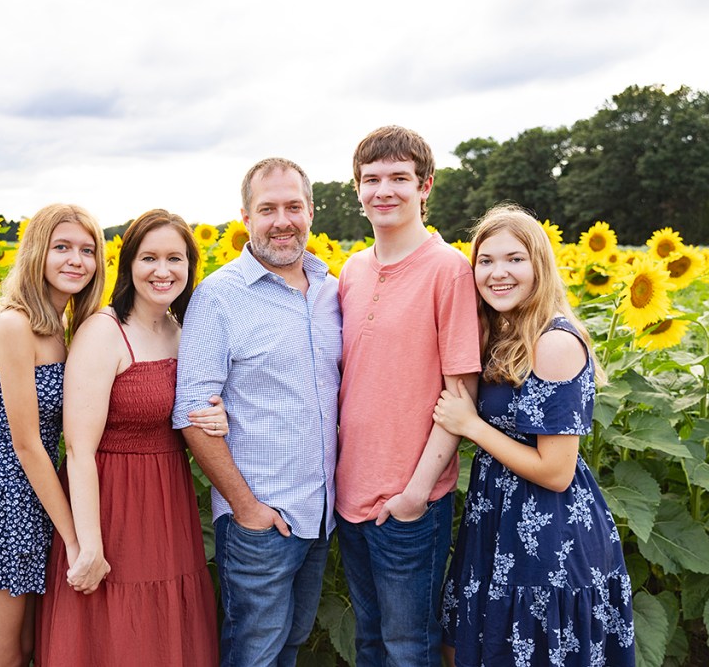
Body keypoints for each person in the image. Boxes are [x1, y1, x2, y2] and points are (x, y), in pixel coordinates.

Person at [434, 203, 635, 666]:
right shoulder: (503, 333)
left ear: (539, 266)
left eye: (514, 259)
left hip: (546, 533)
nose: (498, 272)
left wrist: (472, 427)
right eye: (485, 261)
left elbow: (557, 472)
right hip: (497, 519)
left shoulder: (554, 343)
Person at [173, 157, 342, 666]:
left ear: (311, 211)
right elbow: (191, 415)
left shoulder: (332, 290)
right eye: (267, 208)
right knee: (255, 654)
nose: (282, 220)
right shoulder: (219, 297)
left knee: (289, 645)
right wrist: (247, 509)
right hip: (260, 522)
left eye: (293, 206)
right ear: (245, 218)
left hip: (321, 515)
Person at [34, 209, 223, 666]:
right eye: (149, 258)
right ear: (129, 265)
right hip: (111, 502)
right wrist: (90, 543)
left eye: (175, 258)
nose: (163, 271)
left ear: (190, 266)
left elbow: (189, 409)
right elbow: (78, 449)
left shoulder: (182, 332)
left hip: (168, 501)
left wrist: (218, 417)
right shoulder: (104, 331)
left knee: (163, 631)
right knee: (116, 634)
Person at [335, 125, 482, 665]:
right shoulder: (351, 270)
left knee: (409, 648)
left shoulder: (449, 271)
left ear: (426, 186)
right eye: (371, 179)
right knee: (370, 642)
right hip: (349, 497)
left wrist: (415, 495)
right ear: (356, 190)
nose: (384, 191)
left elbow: (460, 397)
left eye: (399, 177)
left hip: (409, 504)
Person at [0, 203, 105, 666]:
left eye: (87, 250)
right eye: (62, 247)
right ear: (36, 253)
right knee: (1, 656)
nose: (76, 260)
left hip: (37, 497)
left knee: (32, 648)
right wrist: (74, 539)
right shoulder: (14, 325)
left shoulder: (64, 327)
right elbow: (27, 443)